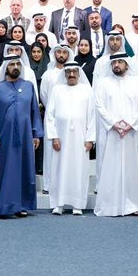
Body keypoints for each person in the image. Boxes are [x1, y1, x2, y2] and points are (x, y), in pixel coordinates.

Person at [0, 49, 43, 218]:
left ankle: (22, 206)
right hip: (4, 137)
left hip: (26, 136)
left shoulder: (28, 86)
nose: (15, 67)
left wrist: (36, 133)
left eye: (18, 64)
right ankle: (4, 207)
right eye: (11, 64)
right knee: (6, 171)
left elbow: (34, 111)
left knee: (24, 170)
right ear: (6, 67)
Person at [92, 53, 138, 217]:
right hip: (110, 132)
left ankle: (132, 205)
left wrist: (130, 124)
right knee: (110, 167)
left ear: (127, 65)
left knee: (130, 169)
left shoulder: (137, 82)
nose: (117, 65)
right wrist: (113, 123)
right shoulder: (103, 83)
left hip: (130, 133)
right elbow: (99, 105)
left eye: (120, 62)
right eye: (114, 62)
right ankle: (109, 205)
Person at [45, 61, 94, 215]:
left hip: (81, 138)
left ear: (79, 74)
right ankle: (58, 203)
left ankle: (77, 204)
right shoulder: (57, 90)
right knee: (59, 169)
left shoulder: (87, 90)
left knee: (79, 169)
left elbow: (92, 116)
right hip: (61, 138)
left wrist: (90, 139)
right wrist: (54, 137)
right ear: (64, 74)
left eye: (74, 72)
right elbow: (50, 115)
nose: (71, 75)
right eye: (68, 72)